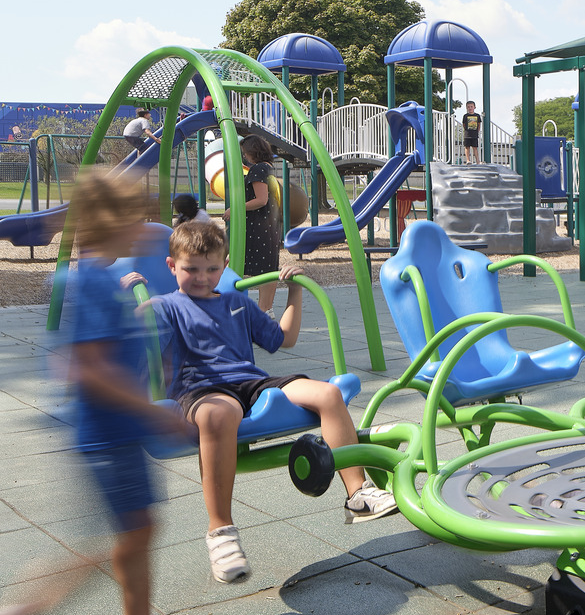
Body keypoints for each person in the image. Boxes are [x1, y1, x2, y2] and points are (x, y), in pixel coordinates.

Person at [1, 170, 208, 615]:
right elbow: (89, 369)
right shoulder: (91, 279)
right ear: (109, 222)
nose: (142, 223)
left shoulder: (97, 276)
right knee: (115, 541)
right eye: (133, 214)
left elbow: (70, 364)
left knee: (132, 533)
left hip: (111, 434)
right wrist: (150, 412)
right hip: (109, 436)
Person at [128, 221, 397, 584]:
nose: (202, 277)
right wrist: (129, 300)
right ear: (171, 266)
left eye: (211, 268)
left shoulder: (237, 302)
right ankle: (220, 531)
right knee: (219, 414)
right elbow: (133, 344)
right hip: (202, 387)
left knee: (329, 394)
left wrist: (294, 293)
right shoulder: (165, 306)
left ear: (223, 266)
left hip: (252, 382)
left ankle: (358, 495)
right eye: (191, 269)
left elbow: (283, 338)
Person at [233, 134, 282, 313]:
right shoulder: (269, 167)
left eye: (245, 152)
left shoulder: (258, 170)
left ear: (252, 151)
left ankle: (261, 312)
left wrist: (236, 209)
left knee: (247, 265)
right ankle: (266, 310)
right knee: (268, 268)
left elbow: (261, 200)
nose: (244, 156)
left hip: (259, 227)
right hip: (270, 225)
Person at [461, 100, 482, 165]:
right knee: (467, 147)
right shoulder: (465, 116)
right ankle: (468, 160)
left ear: (474, 107)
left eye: (471, 106)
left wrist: (477, 131)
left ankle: (478, 161)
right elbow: (464, 124)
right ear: (466, 108)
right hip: (467, 134)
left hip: (474, 134)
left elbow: (479, 124)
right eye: (468, 107)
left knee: (475, 147)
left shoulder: (477, 116)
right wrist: (466, 130)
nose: (470, 108)